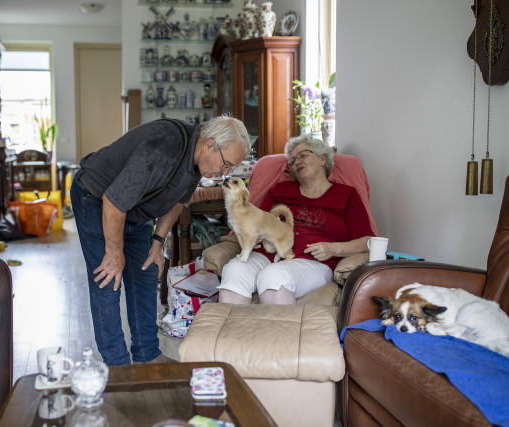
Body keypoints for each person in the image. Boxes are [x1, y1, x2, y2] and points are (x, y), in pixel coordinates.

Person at [71, 116, 249, 365]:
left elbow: (178, 200)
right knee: (108, 278)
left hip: (134, 208)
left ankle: (147, 355)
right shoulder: (163, 147)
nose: (225, 173)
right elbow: (113, 201)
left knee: (145, 273)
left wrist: (157, 241)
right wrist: (114, 252)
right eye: (226, 164)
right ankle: (117, 366)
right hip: (98, 197)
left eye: (231, 169)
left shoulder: (198, 160)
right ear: (209, 144)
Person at [217, 134, 374, 305]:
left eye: (303, 155)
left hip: (313, 262)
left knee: (274, 276)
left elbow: (368, 242)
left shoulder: (346, 195)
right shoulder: (281, 190)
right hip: (270, 253)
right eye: (292, 161)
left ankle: (280, 332)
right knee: (234, 268)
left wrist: (333, 248)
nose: (297, 162)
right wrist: (255, 235)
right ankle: (234, 331)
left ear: (322, 158)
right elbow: (257, 219)